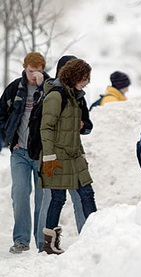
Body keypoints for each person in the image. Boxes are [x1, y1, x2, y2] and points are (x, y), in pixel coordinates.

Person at [39, 58, 97, 254]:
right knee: (57, 198)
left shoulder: (75, 97)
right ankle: (49, 244)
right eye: (85, 77)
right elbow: (45, 128)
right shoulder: (56, 96)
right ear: (74, 76)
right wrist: (49, 157)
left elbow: (74, 131)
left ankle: (96, 236)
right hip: (57, 155)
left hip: (74, 155)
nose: (87, 82)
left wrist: (81, 153)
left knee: (87, 194)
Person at [0, 52, 48, 254]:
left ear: (43, 70)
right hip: (19, 152)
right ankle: (21, 240)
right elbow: (1, 114)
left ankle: (41, 241)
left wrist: (44, 85)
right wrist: (10, 140)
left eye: (37, 71)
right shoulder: (14, 88)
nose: (33, 75)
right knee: (19, 194)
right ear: (24, 68)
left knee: (42, 198)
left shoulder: (50, 89)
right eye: (30, 71)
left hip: (42, 153)